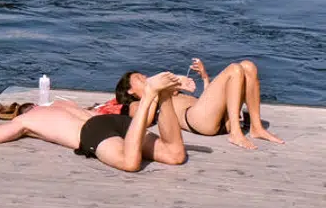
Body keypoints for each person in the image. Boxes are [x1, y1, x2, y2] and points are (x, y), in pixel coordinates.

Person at [0, 72, 189, 172]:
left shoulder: (28, 118)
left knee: (130, 162)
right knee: (175, 155)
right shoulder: (66, 104)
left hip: (92, 130)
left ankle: (150, 95)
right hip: (114, 120)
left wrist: (16, 126)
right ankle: (164, 96)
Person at [113, 58, 283, 149]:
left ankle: (256, 127)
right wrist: (155, 91)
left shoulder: (161, 90)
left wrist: (204, 77)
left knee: (248, 66)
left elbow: (208, 102)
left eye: (143, 75)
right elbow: (147, 119)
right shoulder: (136, 105)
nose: (145, 77)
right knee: (235, 69)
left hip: (215, 116)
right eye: (139, 78)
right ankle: (236, 133)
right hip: (196, 120)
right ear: (130, 91)